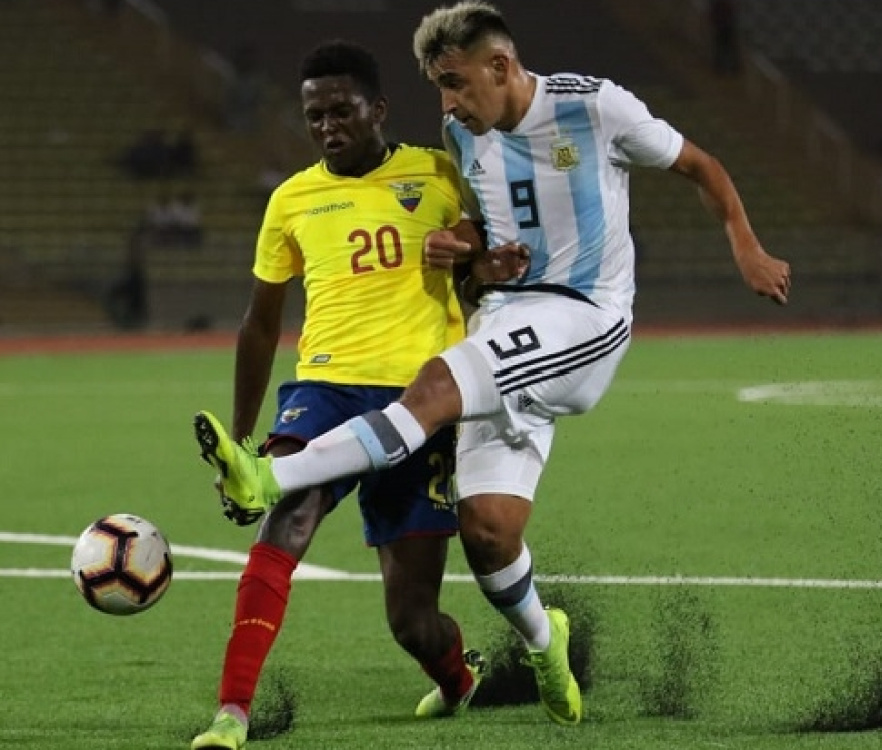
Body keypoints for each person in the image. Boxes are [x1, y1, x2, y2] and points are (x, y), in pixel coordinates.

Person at [193, 0, 791, 729]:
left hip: (584, 314)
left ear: (500, 66)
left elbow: (701, 165)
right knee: (487, 533)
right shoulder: (460, 136)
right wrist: (471, 253)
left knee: (433, 386)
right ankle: (544, 640)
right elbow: (487, 241)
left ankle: (268, 476)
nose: (446, 104)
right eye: (438, 87)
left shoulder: (595, 107)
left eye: (455, 83)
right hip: (507, 321)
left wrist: (746, 245)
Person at [189, 39, 527, 750]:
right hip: (326, 390)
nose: (327, 127)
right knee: (287, 519)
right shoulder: (292, 199)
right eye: (315, 116)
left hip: (421, 403)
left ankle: (458, 679)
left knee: (412, 621)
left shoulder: (439, 173)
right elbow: (260, 323)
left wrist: (470, 247)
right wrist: (244, 440)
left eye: (341, 111)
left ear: (378, 109)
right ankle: (232, 713)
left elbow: (498, 250)